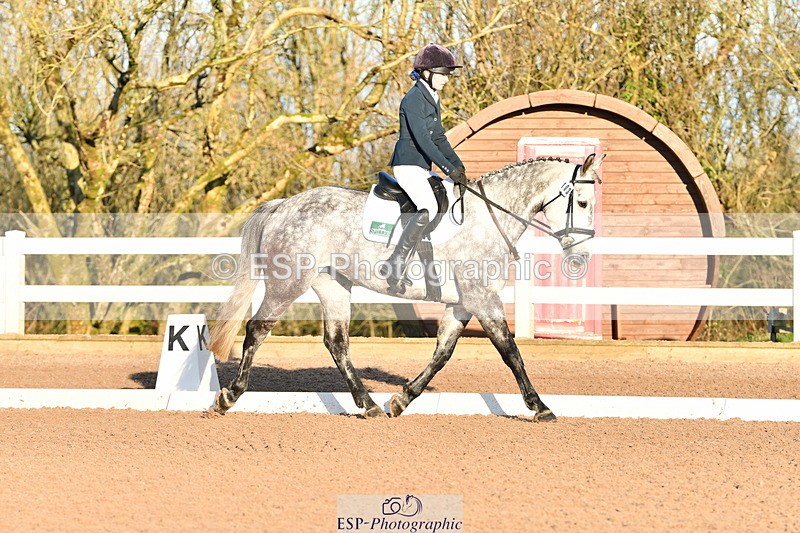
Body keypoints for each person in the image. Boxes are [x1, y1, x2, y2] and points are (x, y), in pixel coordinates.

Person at [382, 43, 469, 294]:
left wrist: (457, 166)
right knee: (428, 207)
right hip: (408, 165)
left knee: (442, 201)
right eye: (443, 74)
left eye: (448, 74)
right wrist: (446, 168)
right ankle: (394, 265)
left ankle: (432, 282)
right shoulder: (413, 99)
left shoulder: (432, 97)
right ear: (427, 72)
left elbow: (439, 137)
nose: (447, 79)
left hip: (421, 167)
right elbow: (423, 140)